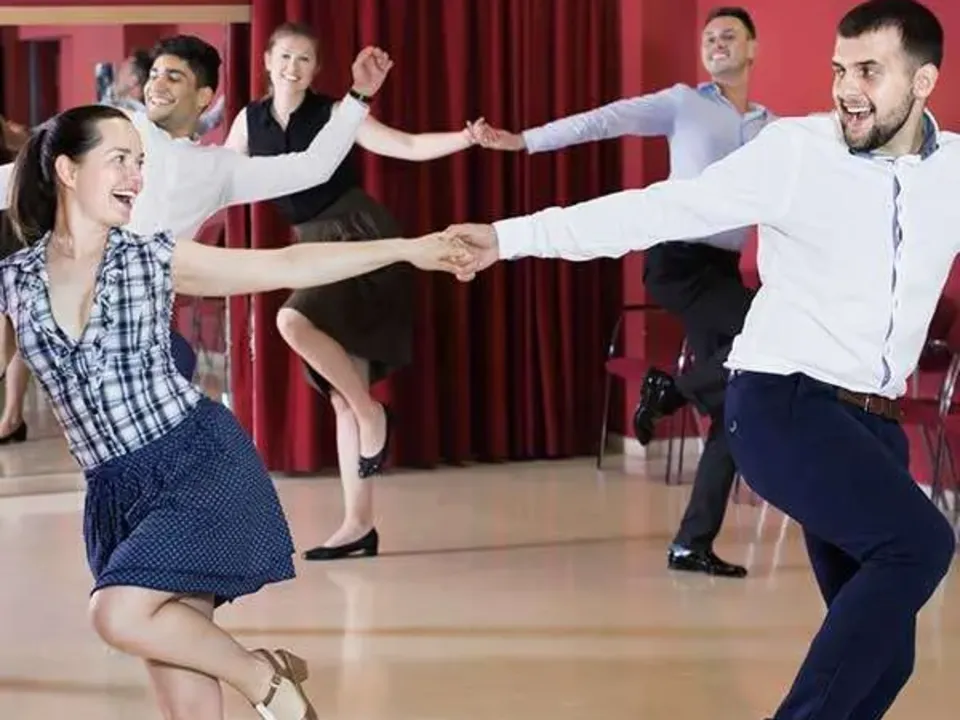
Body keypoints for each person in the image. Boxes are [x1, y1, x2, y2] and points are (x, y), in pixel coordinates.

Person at [447, 1, 958, 718]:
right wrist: (509, 237)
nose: (846, 89)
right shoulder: (797, 151)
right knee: (920, 545)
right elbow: (659, 209)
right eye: (840, 69)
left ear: (923, 81)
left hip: (874, 424)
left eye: (868, 71)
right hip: (785, 404)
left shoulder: (954, 171)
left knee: (884, 653)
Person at [0, 104, 472, 720]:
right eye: (119, 160)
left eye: (139, 162)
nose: (136, 177)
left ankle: (264, 679)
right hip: (115, 493)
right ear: (67, 170)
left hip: (196, 465)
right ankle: (263, 672)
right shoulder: (14, 281)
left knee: (116, 613)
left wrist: (409, 248)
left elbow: (284, 265)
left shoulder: (152, 259)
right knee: (186, 704)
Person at [471, 6, 772, 578]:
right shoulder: (683, 103)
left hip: (723, 270)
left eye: (729, 36)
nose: (717, 44)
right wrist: (523, 141)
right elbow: (605, 120)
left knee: (734, 402)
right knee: (771, 328)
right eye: (709, 37)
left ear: (752, 49)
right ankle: (672, 390)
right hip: (678, 261)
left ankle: (691, 543)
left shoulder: (770, 127)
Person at [0, 33, 390, 445]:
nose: (157, 84)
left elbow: (314, 167)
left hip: (140, 339)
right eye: (154, 74)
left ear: (204, 97)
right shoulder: (114, 130)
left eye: (174, 77)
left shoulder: (217, 169)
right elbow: (24, 174)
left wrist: (359, 96)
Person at [224, 21, 485, 561]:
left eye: (304, 59)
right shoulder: (249, 121)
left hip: (358, 235)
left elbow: (405, 145)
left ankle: (372, 416)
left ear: (316, 70)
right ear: (266, 61)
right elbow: (218, 176)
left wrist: (465, 137)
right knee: (344, 394)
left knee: (292, 321)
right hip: (312, 245)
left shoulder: (335, 113)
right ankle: (358, 525)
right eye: (284, 57)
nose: (292, 68)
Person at [105, 48, 225, 135]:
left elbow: (203, 123)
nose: (117, 76)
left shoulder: (149, 117)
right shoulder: (115, 105)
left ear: (133, 80)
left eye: (122, 71)